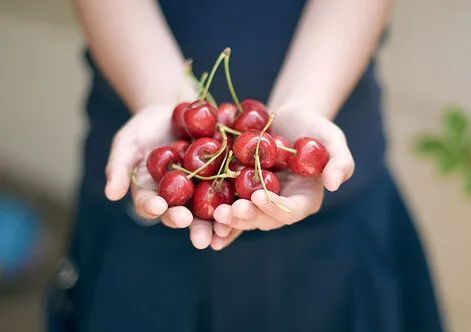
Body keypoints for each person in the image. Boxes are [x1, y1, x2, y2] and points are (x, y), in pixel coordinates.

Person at [47, 0, 443, 331]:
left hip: (330, 225)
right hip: (145, 213)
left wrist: (305, 101)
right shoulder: (189, 153)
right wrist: (160, 95)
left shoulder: (273, 152)